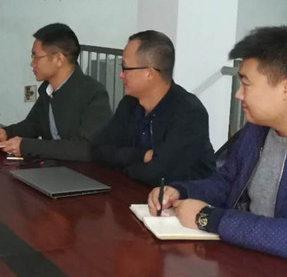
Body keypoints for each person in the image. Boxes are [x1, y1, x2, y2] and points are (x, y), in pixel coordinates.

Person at [148, 26, 287, 265]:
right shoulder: (258, 127)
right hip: (252, 262)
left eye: (246, 84)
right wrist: (182, 192)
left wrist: (208, 218)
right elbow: (227, 182)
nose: (238, 94)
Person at [92, 30, 215, 186]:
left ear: (149, 73)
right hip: (134, 190)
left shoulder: (189, 113)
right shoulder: (129, 103)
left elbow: (159, 174)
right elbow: (99, 150)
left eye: (125, 68)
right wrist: (141, 155)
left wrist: (123, 165)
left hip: (182, 197)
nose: (121, 75)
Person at [0, 23, 111, 160]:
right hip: (53, 168)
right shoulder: (48, 89)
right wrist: (5, 133)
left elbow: (85, 149)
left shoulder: (94, 93)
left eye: (36, 57)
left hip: (82, 171)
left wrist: (26, 146)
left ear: (58, 59)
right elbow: (33, 125)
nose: (32, 63)